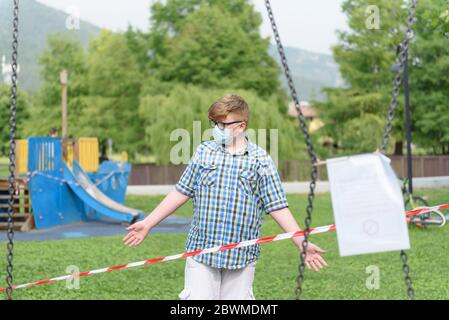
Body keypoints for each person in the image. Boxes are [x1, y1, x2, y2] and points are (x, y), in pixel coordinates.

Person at [123, 94, 327, 300]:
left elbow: (277, 206)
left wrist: (301, 242)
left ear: (241, 125)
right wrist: (148, 223)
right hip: (201, 252)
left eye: (223, 124)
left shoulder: (261, 161)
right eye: (215, 123)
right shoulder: (204, 152)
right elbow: (181, 192)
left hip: (242, 256)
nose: (217, 129)